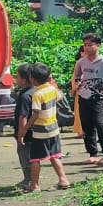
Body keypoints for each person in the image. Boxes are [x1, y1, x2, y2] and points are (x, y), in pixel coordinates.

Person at [20, 63, 70, 192]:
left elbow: (35, 113)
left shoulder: (37, 94)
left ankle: (35, 185)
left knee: (35, 158)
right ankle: (63, 179)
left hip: (41, 130)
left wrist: (25, 128)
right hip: (53, 127)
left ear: (32, 78)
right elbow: (60, 97)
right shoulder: (52, 89)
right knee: (54, 155)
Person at [71, 34, 103, 165]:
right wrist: (76, 85)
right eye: (85, 45)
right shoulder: (81, 62)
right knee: (87, 126)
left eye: (90, 45)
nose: (87, 48)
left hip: (98, 98)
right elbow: (77, 74)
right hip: (83, 97)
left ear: (98, 46)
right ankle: (92, 153)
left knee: (100, 124)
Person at [12, 64, 37, 188]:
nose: (16, 78)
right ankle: (31, 180)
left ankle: (29, 180)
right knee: (33, 157)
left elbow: (23, 116)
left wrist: (20, 134)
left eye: (18, 76)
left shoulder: (25, 96)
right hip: (35, 131)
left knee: (25, 157)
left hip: (25, 132)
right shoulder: (35, 91)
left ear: (25, 79)